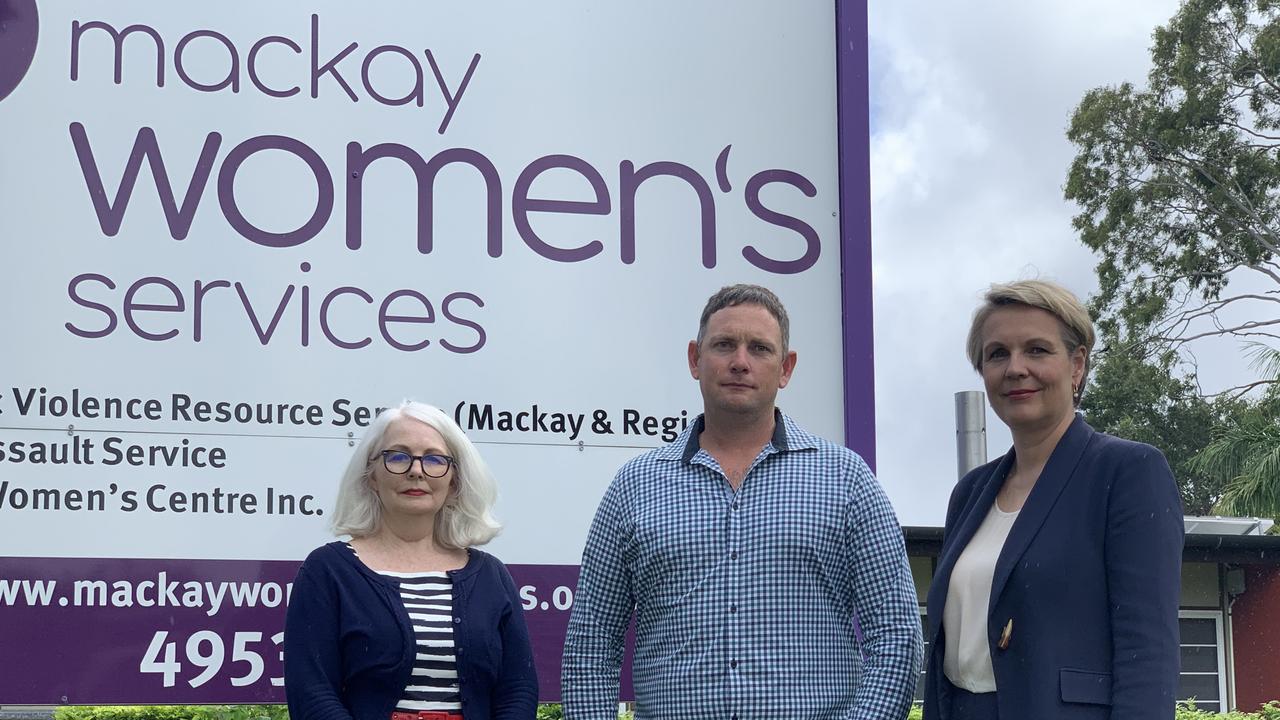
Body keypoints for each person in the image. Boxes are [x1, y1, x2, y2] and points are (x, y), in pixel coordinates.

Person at [562, 284, 923, 719]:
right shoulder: (635, 485)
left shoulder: (846, 480)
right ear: (695, 359)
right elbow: (591, 644)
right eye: (724, 345)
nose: (740, 361)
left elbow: (897, 636)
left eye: (760, 348)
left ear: (786, 368)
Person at [922, 280, 1183, 720]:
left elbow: (1148, 653)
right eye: (997, 354)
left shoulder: (1127, 472)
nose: (1015, 368)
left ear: (1077, 364)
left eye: (1038, 350)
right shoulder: (969, 495)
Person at [285, 400, 537, 720]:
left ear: (454, 481)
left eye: (434, 459)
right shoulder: (328, 571)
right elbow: (312, 693)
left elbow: (518, 689)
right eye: (398, 457)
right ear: (371, 475)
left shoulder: (491, 576)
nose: (416, 471)